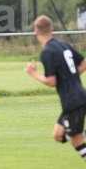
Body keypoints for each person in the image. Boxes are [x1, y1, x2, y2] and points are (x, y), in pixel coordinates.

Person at [25, 15, 86, 161]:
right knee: (58, 135)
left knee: (75, 138)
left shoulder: (47, 52)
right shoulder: (63, 45)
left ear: (36, 31)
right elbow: (84, 62)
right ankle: (77, 131)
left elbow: (51, 81)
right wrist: (70, 75)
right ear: (52, 29)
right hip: (78, 96)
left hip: (72, 101)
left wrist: (33, 73)